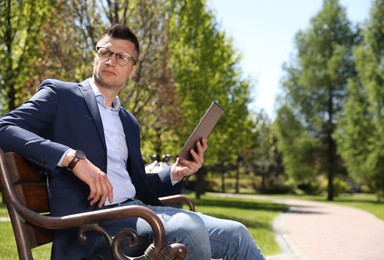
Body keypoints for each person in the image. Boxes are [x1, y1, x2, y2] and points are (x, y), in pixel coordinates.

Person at [0, 24, 265, 260]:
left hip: (138, 213)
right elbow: (4, 127)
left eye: (122, 57)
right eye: (104, 52)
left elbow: (136, 184)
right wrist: (71, 158)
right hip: (92, 228)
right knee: (188, 228)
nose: (110, 61)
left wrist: (175, 172)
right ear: (95, 57)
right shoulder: (61, 95)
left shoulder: (129, 121)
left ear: (132, 70)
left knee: (237, 233)